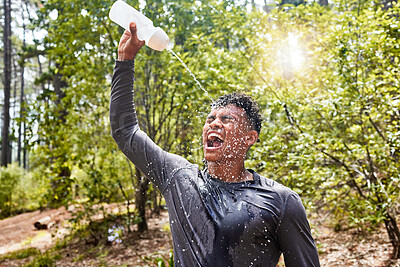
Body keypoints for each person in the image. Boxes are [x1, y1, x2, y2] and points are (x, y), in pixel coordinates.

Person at [110, 22, 320, 267]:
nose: (214, 124)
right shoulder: (179, 177)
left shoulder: (281, 201)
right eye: (210, 119)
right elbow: (125, 132)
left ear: (249, 138)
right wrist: (125, 61)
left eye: (226, 119)